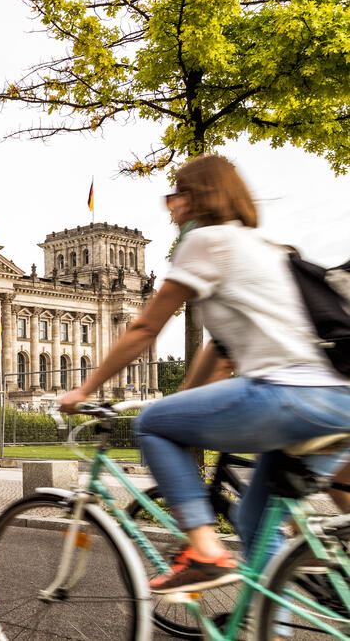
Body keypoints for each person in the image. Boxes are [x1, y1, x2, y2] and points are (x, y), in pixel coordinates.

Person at [58, 154, 350, 595]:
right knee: (256, 524)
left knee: (153, 422)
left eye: (176, 192)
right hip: (337, 401)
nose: (169, 204)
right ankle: (270, 624)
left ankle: (203, 551)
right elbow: (222, 348)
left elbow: (144, 327)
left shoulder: (204, 241)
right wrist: (190, 402)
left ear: (199, 197)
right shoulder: (269, 250)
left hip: (285, 396)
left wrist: (85, 389)